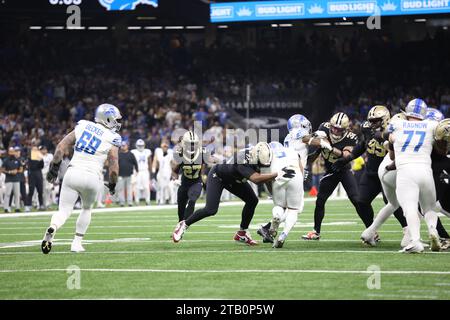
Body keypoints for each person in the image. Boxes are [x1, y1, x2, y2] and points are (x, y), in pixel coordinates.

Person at [172, 142, 296, 245]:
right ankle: (184, 224)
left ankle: (242, 233)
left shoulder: (261, 154)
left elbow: (265, 176)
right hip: (219, 177)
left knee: (252, 200)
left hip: (235, 180)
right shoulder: (242, 161)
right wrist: (277, 174)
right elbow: (256, 179)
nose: (263, 165)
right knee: (211, 209)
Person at [41, 104, 122, 254]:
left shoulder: (83, 125)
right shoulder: (113, 137)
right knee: (86, 209)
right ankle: (76, 243)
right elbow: (113, 165)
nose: (118, 123)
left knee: (64, 210)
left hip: (73, 173)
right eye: (116, 119)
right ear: (108, 118)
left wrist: (54, 168)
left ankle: (53, 226)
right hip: (92, 177)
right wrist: (112, 184)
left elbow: (60, 147)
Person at [331, 106, 408, 241]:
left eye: (376, 121)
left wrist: (379, 137)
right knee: (361, 202)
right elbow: (362, 146)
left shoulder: (393, 130)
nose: (372, 124)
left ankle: (407, 230)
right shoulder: (369, 131)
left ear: (385, 120)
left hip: (387, 173)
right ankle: (372, 231)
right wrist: (345, 160)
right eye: (371, 121)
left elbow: (393, 148)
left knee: (392, 204)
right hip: (371, 174)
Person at [388, 98, 440, 253]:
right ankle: (432, 229)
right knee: (430, 208)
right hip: (425, 170)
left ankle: (416, 240)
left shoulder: (397, 123)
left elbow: (388, 138)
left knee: (410, 208)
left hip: (406, 171)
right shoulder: (432, 125)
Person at [302, 112, 362, 240]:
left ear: (345, 129)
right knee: (320, 201)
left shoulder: (351, 137)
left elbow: (346, 156)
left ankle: (372, 230)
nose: (334, 130)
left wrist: (329, 147)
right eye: (333, 127)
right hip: (330, 171)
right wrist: (318, 140)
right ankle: (316, 231)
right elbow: (305, 139)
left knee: (356, 200)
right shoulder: (324, 127)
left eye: (338, 129)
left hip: (344, 170)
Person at [257, 141, 304, 248]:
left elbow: (267, 179)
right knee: (293, 210)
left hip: (277, 178)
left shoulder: (268, 155)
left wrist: (272, 194)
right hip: (295, 174)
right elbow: (301, 169)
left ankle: (277, 216)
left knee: (279, 206)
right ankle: (283, 235)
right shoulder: (291, 151)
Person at [172, 131, 205, 222]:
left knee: (192, 201)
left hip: (196, 182)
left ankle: (184, 225)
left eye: (194, 144)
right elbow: (174, 170)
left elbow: (208, 164)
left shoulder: (202, 152)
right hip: (184, 183)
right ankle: (180, 225)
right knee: (181, 208)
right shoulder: (180, 153)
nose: (192, 146)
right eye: (189, 143)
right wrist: (175, 179)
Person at [1, 147, 23, 213]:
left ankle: (17, 208)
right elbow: (2, 169)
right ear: (8, 152)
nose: (12, 153)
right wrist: (9, 172)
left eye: (13, 151)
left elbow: (21, 169)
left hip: (16, 179)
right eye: (10, 152)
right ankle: (6, 208)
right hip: (9, 179)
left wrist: (16, 171)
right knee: (7, 194)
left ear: (14, 152)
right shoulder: (6, 160)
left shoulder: (17, 160)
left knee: (17, 194)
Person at [152, 141, 174, 205]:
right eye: (164, 146)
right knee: (161, 187)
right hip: (161, 172)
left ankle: (169, 200)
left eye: (166, 146)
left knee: (169, 187)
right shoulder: (158, 151)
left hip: (168, 172)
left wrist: (174, 172)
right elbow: (155, 161)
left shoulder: (170, 152)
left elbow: (173, 163)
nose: (165, 147)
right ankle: (160, 200)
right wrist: (153, 172)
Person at [131, 139, 152, 205]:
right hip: (136, 171)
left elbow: (149, 162)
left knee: (146, 186)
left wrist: (151, 172)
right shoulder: (133, 152)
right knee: (136, 186)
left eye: (142, 145)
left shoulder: (147, 151)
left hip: (145, 171)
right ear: (136, 145)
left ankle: (147, 200)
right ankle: (137, 200)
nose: (140, 147)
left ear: (144, 145)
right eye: (139, 146)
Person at [117, 141, 138, 207]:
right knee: (121, 189)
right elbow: (115, 164)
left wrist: (137, 170)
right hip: (120, 174)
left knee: (129, 189)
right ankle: (122, 202)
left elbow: (135, 163)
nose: (123, 147)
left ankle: (130, 202)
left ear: (127, 146)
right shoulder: (119, 154)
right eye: (122, 145)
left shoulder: (131, 154)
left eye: (124, 145)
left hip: (129, 174)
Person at [25, 145, 45, 211]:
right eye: (34, 150)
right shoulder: (29, 157)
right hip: (32, 175)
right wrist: (39, 159)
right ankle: (28, 206)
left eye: (36, 150)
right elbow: (32, 166)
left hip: (39, 175)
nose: (35, 151)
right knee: (31, 191)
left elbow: (41, 166)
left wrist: (41, 160)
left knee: (40, 191)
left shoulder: (39, 157)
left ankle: (41, 205)